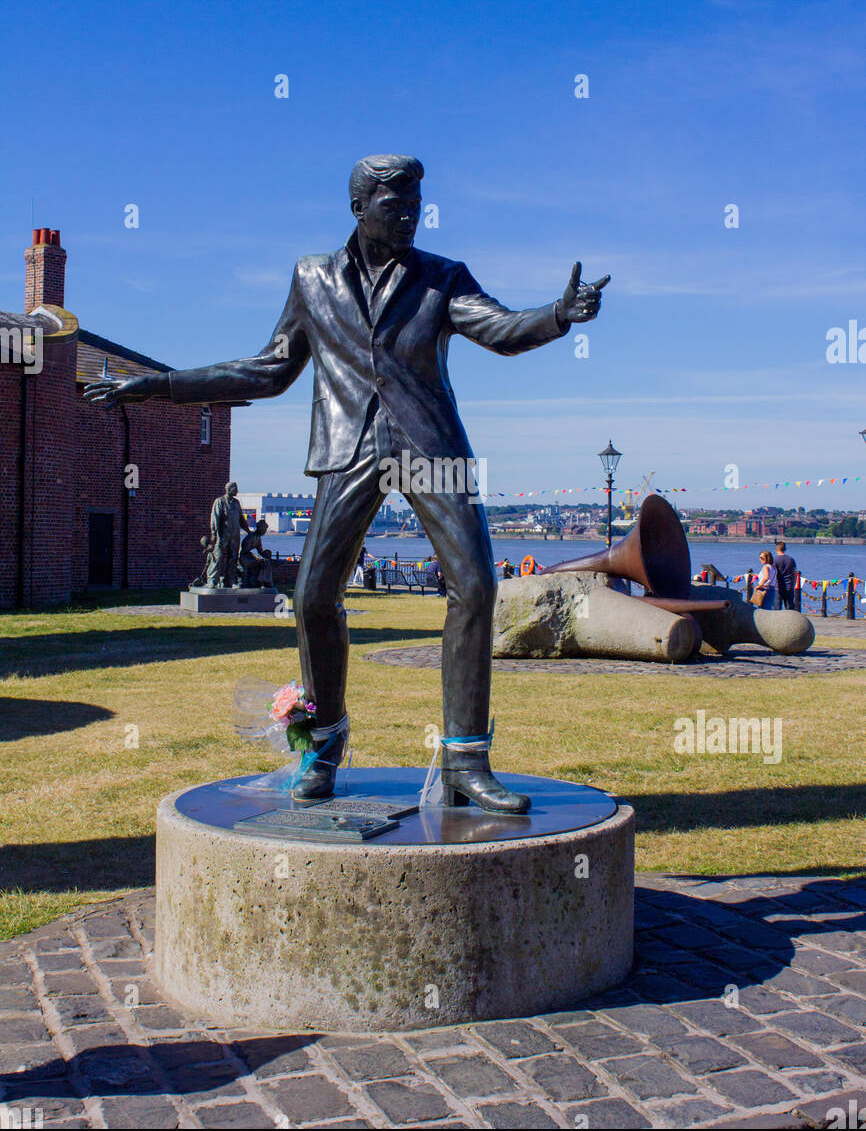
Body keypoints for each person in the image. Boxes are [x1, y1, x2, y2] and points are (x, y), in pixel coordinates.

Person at [84, 153, 608, 813]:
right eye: (397, 206)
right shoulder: (312, 279)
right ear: (359, 208)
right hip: (348, 446)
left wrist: (558, 314)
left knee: (475, 586)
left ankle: (467, 762)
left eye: (418, 204)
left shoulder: (442, 278)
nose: (412, 215)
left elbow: (500, 331)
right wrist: (161, 387)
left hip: (430, 446)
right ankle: (323, 748)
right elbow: (269, 370)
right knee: (310, 598)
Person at [206, 482, 251, 588]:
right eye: (235, 489)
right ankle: (212, 580)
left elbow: (241, 518)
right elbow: (215, 518)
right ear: (229, 489)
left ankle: (230, 580)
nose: (237, 491)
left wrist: (248, 530)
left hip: (235, 534)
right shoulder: (220, 501)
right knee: (217, 556)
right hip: (223, 533)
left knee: (233, 557)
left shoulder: (236, 503)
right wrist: (214, 533)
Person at [240, 519, 275, 588]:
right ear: (260, 528)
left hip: (251, 557)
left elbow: (260, 551)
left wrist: (266, 554)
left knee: (266, 562)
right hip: (245, 557)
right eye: (264, 530)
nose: (264, 532)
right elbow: (245, 550)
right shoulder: (251, 536)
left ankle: (265, 581)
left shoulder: (258, 538)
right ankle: (262, 582)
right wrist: (257, 557)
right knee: (263, 563)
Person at [774, 541, 797, 609]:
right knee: (789, 608)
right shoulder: (791, 560)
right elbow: (794, 573)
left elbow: (772, 574)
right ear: (785, 549)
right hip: (789, 586)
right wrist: (793, 583)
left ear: (776, 549)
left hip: (777, 586)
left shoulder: (774, 560)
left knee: (776, 608)